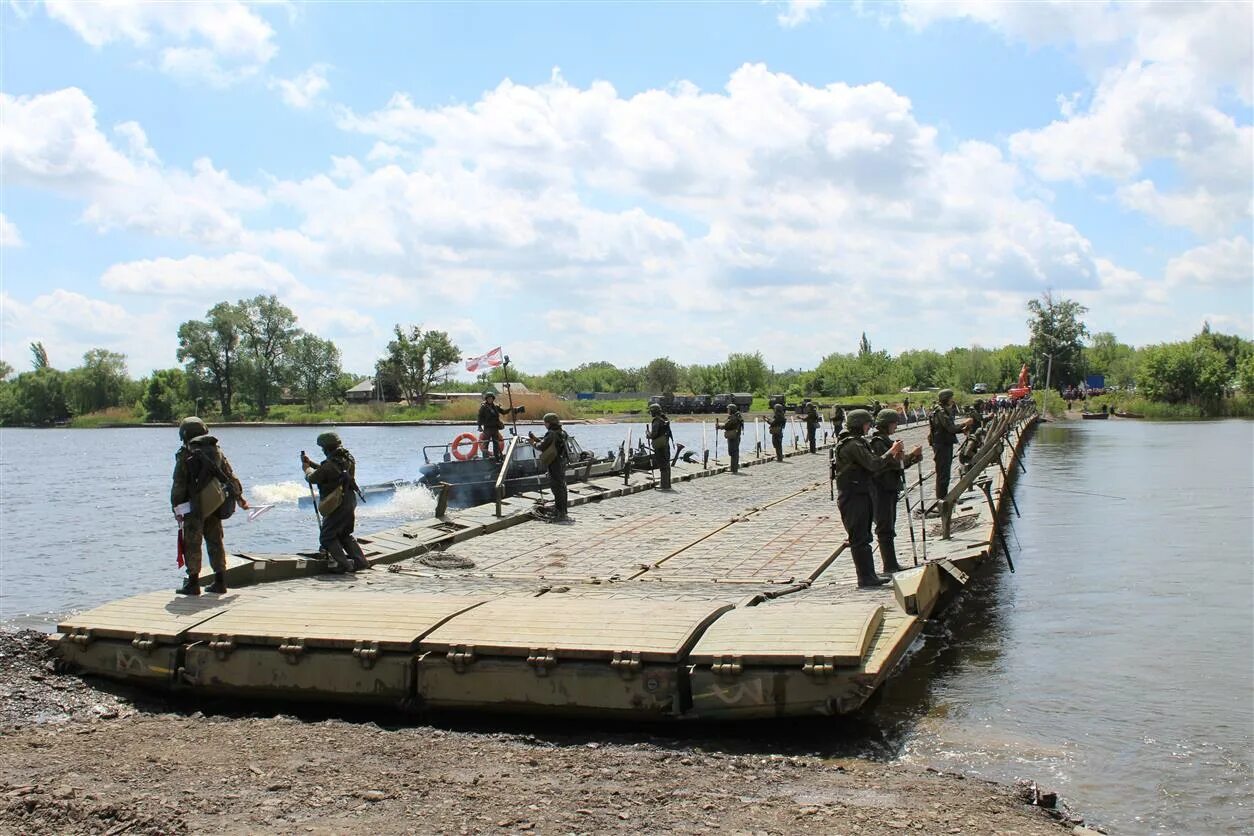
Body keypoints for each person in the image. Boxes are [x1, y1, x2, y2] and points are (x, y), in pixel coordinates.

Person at [171, 416, 249, 595]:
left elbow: (179, 483)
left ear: (184, 434)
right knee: (215, 542)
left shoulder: (186, 453)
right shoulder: (217, 451)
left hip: (193, 507)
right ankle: (220, 582)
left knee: (192, 543)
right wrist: (240, 497)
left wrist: (176, 508)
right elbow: (230, 476)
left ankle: (193, 584)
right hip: (215, 504)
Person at [833, 409, 904, 588]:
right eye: (866, 424)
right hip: (853, 496)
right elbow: (873, 464)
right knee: (859, 538)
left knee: (865, 536)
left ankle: (869, 575)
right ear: (859, 425)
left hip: (861, 493)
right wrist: (891, 452)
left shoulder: (857, 443)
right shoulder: (852, 445)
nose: (868, 427)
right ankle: (865, 578)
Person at [302, 432, 368, 574]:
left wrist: (306, 469)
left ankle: (344, 565)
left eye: (322, 448)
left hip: (336, 502)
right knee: (344, 534)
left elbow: (313, 478)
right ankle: (360, 562)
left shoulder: (330, 465)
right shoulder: (348, 458)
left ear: (326, 448)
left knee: (327, 537)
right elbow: (329, 470)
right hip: (349, 499)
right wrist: (311, 463)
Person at [869, 409, 923, 574]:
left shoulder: (886, 441)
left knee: (889, 526)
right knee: (885, 527)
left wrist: (911, 458)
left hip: (889, 487)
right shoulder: (878, 443)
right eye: (894, 423)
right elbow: (890, 464)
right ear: (887, 424)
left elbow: (899, 464)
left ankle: (892, 563)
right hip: (882, 489)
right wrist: (910, 455)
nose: (896, 426)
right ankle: (890, 565)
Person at [928, 389, 972, 509]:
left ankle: (944, 499)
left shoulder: (942, 410)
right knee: (943, 474)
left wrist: (962, 429)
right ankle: (942, 502)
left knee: (945, 473)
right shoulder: (941, 412)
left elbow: (949, 428)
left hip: (944, 444)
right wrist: (964, 424)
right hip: (941, 445)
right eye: (951, 397)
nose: (953, 400)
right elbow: (950, 428)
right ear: (946, 398)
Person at [529, 412, 569, 520]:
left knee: (556, 487)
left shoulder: (551, 433)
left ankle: (559, 512)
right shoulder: (562, 432)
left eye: (545, 423)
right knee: (562, 486)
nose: (544, 425)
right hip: (561, 462)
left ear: (549, 423)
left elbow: (542, 446)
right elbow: (549, 443)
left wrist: (533, 443)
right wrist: (536, 438)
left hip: (554, 463)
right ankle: (563, 510)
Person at [476, 391, 518, 459]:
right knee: (486, 443)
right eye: (489, 398)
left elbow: (503, 412)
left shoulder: (496, 407)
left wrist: (510, 409)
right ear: (486, 399)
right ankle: (485, 458)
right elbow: (479, 417)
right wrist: (479, 426)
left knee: (496, 443)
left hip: (495, 428)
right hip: (487, 428)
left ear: (493, 399)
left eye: (491, 398)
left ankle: (497, 457)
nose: (490, 399)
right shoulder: (483, 407)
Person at [646, 402, 673, 489]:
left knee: (662, 465)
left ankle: (664, 485)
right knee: (666, 464)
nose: (650, 413)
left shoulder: (656, 421)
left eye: (651, 411)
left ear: (654, 411)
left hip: (660, 446)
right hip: (665, 444)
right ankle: (667, 484)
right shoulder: (664, 419)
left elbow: (653, 435)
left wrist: (648, 434)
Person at [716, 403, 744, 473]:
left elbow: (727, 425)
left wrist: (719, 426)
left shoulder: (734, 417)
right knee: (734, 452)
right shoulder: (737, 416)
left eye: (728, 409)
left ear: (732, 410)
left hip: (733, 437)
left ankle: (734, 469)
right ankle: (733, 468)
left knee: (733, 452)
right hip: (736, 436)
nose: (727, 410)